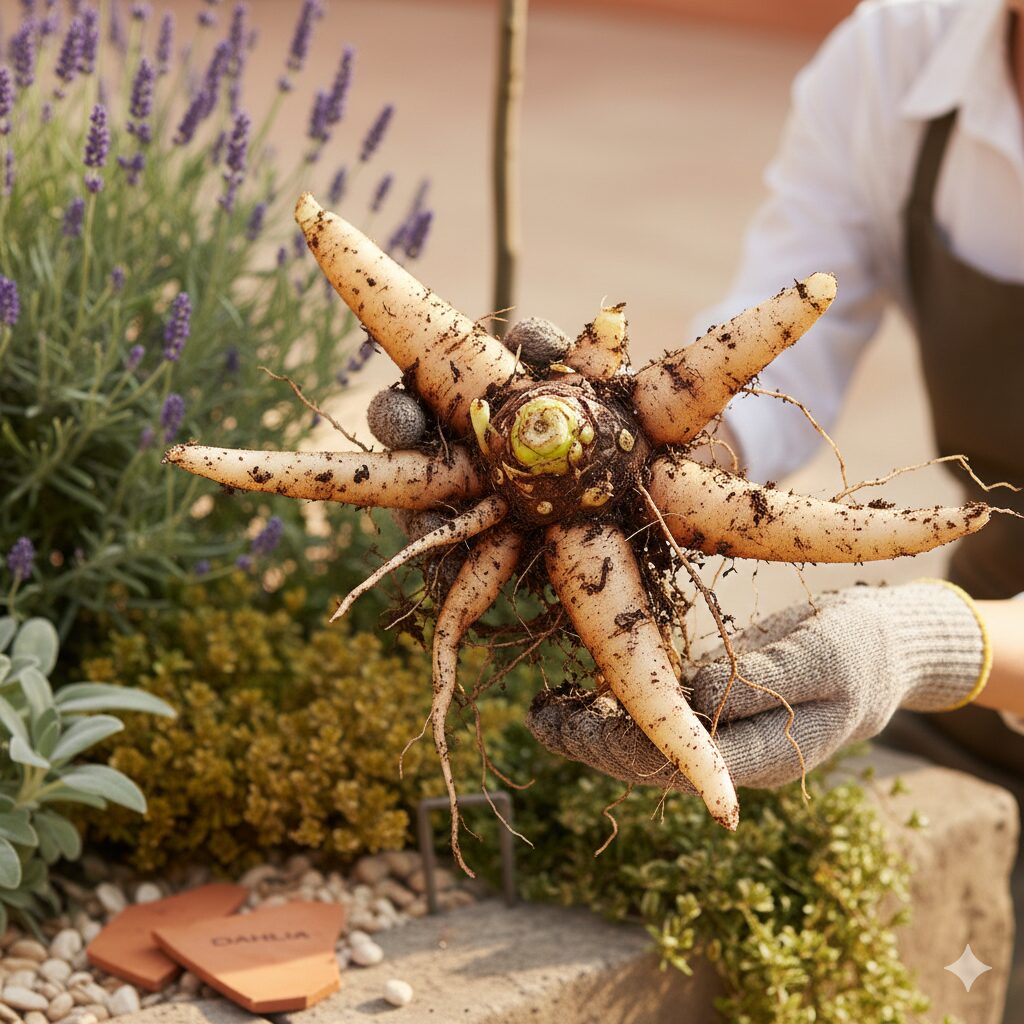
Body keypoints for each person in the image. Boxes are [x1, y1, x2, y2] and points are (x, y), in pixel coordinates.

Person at [530, 0, 1024, 794]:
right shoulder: (900, 54)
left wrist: (930, 642)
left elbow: (933, 646)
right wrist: (629, 455)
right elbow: (778, 358)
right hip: (977, 714)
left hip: (984, 655)